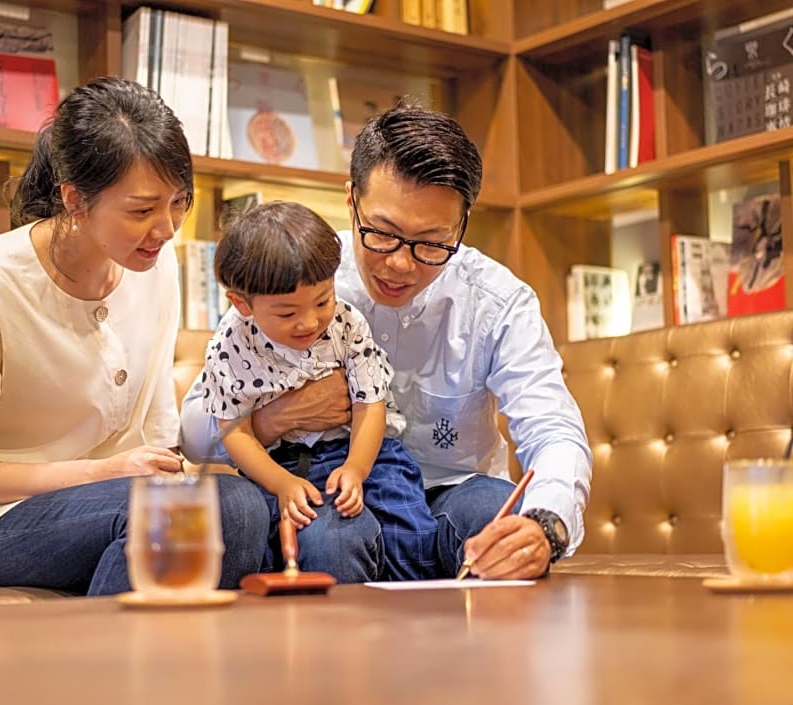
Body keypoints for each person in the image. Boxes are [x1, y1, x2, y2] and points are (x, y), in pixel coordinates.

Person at [0, 77, 268, 595]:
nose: (167, 228)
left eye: (179, 202)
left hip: (112, 498)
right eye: (141, 210)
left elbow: (153, 429)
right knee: (206, 512)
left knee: (239, 507)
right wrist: (104, 473)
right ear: (75, 200)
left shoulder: (157, 265)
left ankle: (143, 665)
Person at [182, 102, 592, 581]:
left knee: (496, 511)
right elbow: (194, 434)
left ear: (462, 226)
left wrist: (547, 524)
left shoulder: (496, 302)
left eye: (432, 243)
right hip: (329, 487)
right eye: (383, 234)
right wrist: (280, 417)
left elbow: (553, 430)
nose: (401, 264)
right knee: (332, 537)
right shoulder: (301, 278)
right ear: (352, 201)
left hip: (450, 494)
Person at [202, 201, 437, 581]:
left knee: (408, 524)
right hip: (278, 464)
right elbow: (234, 430)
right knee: (264, 536)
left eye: (322, 301)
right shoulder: (230, 344)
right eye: (286, 313)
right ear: (242, 303)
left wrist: (357, 469)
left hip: (362, 449)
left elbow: (369, 404)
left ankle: (414, 613)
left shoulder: (346, 321)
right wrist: (280, 484)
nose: (309, 322)